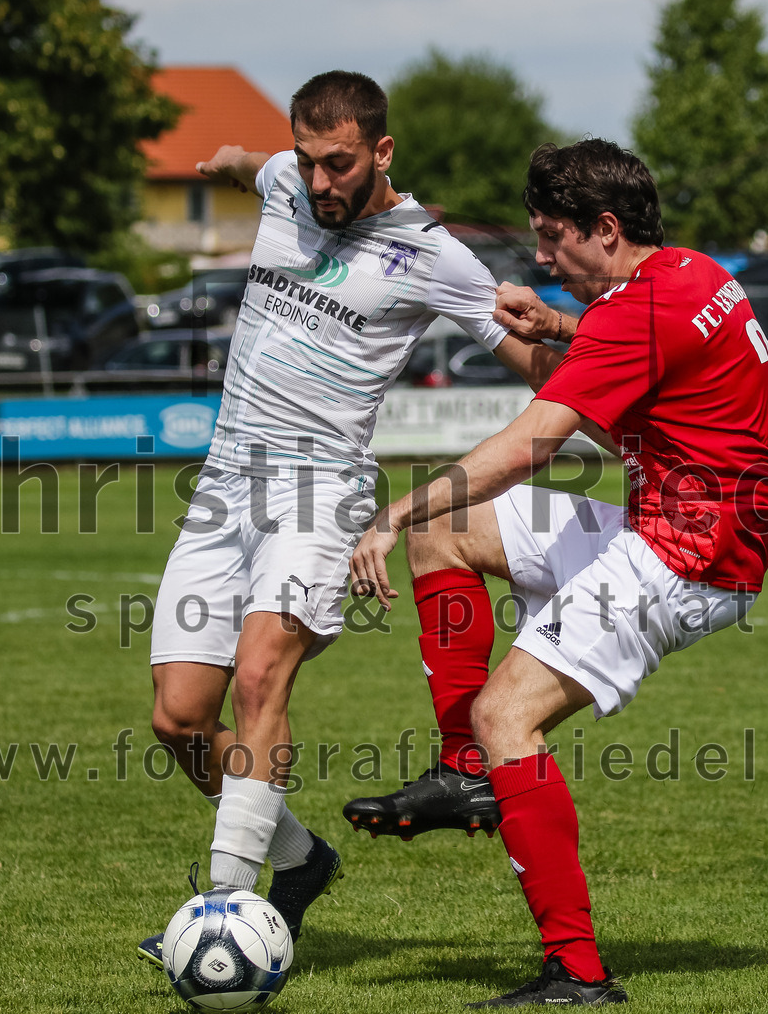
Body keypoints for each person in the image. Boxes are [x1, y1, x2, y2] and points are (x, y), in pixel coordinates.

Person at [347, 137, 768, 1006]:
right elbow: (630, 338)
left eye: (553, 238)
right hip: (690, 531)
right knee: (447, 530)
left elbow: (529, 445)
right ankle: (465, 771)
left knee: (504, 714)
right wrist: (555, 325)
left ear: (605, 228)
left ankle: (577, 973)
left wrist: (390, 512)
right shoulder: (691, 273)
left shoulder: (635, 314)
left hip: (685, 557)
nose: (544, 259)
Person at [136, 70, 562, 967]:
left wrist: (606, 372)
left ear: (381, 150)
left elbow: (532, 360)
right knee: (179, 720)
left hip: (318, 493)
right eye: (308, 160)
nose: (320, 181)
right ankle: (301, 860)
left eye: (338, 162)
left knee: (260, 678)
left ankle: (225, 908)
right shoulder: (283, 181)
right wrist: (226, 158)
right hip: (223, 486)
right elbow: (250, 164)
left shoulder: (435, 255)